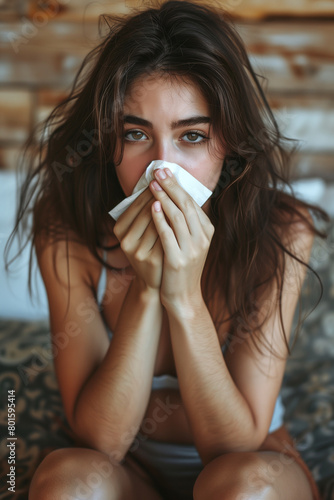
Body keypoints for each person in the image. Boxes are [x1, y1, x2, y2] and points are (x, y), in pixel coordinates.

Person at [6, 1, 329, 499]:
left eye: (192, 136)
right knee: (66, 481)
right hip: (128, 469)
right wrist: (148, 288)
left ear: (229, 143)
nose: (162, 169)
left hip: (249, 462)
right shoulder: (65, 223)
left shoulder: (283, 228)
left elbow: (234, 446)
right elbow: (100, 441)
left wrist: (183, 297)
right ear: (108, 140)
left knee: (243, 487)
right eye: (136, 134)